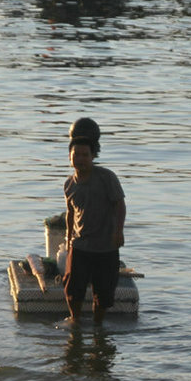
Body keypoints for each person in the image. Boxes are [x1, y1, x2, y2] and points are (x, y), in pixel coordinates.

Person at [62, 117, 126, 326]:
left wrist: (118, 232)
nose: (80, 159)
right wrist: (68, 238)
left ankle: (98, 326)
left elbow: (120, 205)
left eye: (85, 155)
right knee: (73, 289)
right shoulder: (69, 184)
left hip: (105, 246)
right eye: (76, 155)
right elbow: (70, 212)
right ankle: (76, 320)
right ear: (70, 157)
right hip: (80, 245)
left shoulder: (106, 177)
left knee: (104, 292)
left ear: (93, 156)